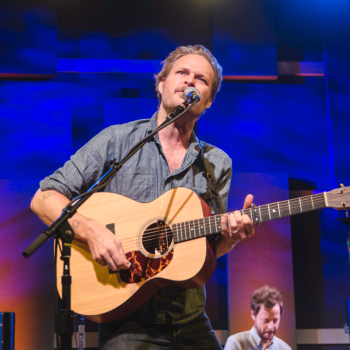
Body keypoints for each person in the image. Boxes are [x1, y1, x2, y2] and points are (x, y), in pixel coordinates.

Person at [31, 45, 255, 349]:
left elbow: (210, 248)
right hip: (127, 317)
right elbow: (44, 197)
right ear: (161, 84)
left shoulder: (218, 163)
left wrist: (231, 237)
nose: (190, 82)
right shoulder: (116, 141)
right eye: (182, 73)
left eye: (201, 79)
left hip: (189, 319)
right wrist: (91, 231)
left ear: (209, 101)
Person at [224, 286, 291, 350]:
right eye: (266, 320)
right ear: (253, 314)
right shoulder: (236, 343)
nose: (271, 327)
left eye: (275, 320)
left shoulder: (285, 348)